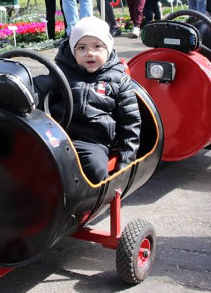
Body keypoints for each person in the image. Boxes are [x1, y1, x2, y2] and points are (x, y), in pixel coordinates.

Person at [46, 17, 141, 183]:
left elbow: (130, 123)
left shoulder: (118, 80)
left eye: (97, 46)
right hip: (58, 137)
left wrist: (126, 162)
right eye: (82, 48)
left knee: (94, 168)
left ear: (108, 49)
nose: (90, 53)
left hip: (94, 142)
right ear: (73, 50)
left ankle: (90, 205)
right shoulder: (60, 74)